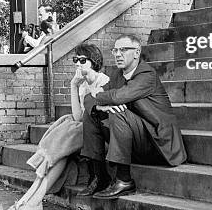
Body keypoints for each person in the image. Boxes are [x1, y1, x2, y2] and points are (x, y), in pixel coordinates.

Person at [0, 43, 109, 210]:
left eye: (82, 60)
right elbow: (77, 116)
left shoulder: (102, 80)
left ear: (93, 62)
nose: (78, 64)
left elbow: (87, 117)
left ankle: (31, 200)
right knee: (59, 155)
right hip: (81, 129)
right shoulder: (80, 85)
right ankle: (31, 200)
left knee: (60, 144)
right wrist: (73, 86)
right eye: (76, 60)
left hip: (97, 132)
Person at [79, 34, 187, 199]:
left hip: (157, 144)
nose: (117, 54)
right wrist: (99, 105)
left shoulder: (147, 75)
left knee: (117, 111)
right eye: (115, 50)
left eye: (123, 50)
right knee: (92, 113)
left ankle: (124, 180)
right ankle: (99, 176)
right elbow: (89, 98)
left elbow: (119, 96)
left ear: (137, 53)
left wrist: (102, 98)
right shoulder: (117, 75)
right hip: (134, 141)